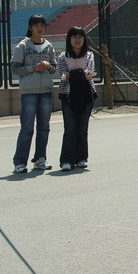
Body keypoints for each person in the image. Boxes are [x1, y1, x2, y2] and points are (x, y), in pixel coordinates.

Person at [11, 14, 57, 173]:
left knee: (44, 127)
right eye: (36, 25)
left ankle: (40, 159)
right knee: (27, 128)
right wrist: (33, 68)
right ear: (30, 28)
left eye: (42, 25)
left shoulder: (49, 46)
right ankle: (19, 162)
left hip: (45, 91)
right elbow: (14, 69)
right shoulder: (22, 46)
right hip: (29, 92)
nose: (40, 28)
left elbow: (54, 69)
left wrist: (48, 66)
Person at [57, 27, 97, 172]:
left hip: (86, 95)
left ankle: (81, 158)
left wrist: (76, 75)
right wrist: (79, 74)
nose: (77, 40)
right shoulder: (63, 56)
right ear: (69, 39)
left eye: (80, 36)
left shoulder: (89, 55)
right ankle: (66, 160)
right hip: (68, 95)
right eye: (74, 37)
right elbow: (63, 74)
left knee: (82, 128)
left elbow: (89, 71)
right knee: (70, 128)